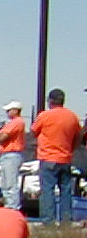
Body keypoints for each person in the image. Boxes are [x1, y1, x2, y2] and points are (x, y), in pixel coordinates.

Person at [30, 88, 81, 223]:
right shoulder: (72, 117)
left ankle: (48, 221)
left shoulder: (44, 116)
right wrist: (71, 149)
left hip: (48, 157)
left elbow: (33, 131)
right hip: (65, 158)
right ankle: (66, 220)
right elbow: (78, 137)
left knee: (47, 190)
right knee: (66, 191)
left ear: (50, 101)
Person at [0, 101, 26, 211]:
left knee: (11, 183)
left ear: (16, 110)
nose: (7, 112)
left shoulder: (16, 122)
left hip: (11, 154)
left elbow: (0, 138)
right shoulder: (12, 123)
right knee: (5, 183)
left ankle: (13, 207)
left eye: (9, 110)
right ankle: (9, 206)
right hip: (7, 155)